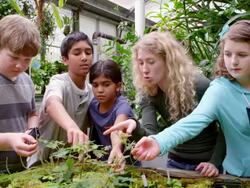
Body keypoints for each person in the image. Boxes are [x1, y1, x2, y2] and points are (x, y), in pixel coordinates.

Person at [130, 20, 250, 177]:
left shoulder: (199, 84)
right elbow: (193, 122)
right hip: (237, 175)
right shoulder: (220, 90)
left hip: (209, 160)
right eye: (227, 54)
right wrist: (158, 141)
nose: (233, 61)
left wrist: (214, 162)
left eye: (242, 55)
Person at [104, 31, 226, 177]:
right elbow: (151, 135)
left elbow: (226, 129)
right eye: (141, 62)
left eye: (151, 62)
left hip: (205, 165)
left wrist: (214, 162)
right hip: (175, 162)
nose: (144, 69)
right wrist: (134, 125)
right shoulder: (148, 92)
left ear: (168, 61)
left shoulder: (199, 85)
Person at [28, 31, 94, 166]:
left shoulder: (92, 91)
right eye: (77, 53)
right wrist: (72, 127)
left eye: (88, 52)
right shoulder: (59, 83)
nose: (84, 57)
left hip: (70, 165)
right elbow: (52, 103)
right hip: (41, 163)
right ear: (65, 59)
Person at [0, 15, 40, 172]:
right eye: (14, 57)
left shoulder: (27, 81)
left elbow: (32, 114)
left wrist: (32, 130)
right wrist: (9, 140)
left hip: (20, 164)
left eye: (27, 60)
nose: (20, 65)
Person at [88, 59, 134, 171]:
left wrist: (117, 148)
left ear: (118, 86)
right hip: (103, 164)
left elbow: (117, 128)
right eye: (95, 85)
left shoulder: (122, 107)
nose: (100, 90)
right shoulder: (92, 106)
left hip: (126, 164)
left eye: (106, 84)